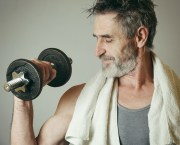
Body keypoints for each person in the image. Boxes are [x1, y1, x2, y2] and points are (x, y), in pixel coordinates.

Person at [11, 0, 180, 145]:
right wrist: (23, 97)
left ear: (140, 37)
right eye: (96, 38)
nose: (97, 51)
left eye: (108, 39)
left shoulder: (176, 99)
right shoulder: (79, 100)